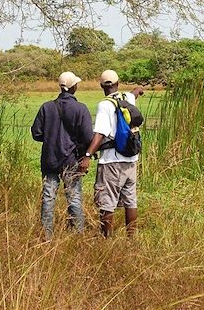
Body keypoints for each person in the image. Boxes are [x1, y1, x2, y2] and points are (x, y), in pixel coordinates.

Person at [30, 71, 94, 239]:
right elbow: (88, 137)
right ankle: (77, 235)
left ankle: (47, 235)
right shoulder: (81, 109)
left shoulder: (46, 107)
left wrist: (51, 137)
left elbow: (36, 133)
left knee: (48, 197)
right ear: (74, 87)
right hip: (71, 160)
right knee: (74, 197)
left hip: (50, 160)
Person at [83, 69, 144, 237]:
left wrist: (87, 155)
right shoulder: (127, 98)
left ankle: (106, 240)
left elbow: (100, 134)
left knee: (107, 202)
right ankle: (131, 238)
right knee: (130, 200)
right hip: (131, 159)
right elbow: (135, 92)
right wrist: (139, 89)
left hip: (112, 161)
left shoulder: (105, 105)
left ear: (101, 85)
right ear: (118, 83)